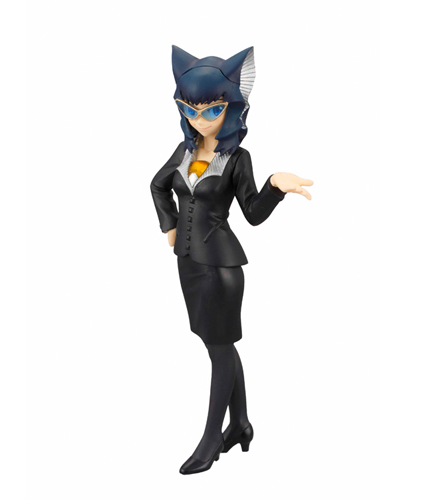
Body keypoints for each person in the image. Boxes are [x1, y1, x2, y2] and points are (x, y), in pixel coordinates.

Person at [150, 45, 313, 475]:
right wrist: (169, 224)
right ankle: (240, 424)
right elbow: (157, 185)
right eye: (190, 109)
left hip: (221, 268)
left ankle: (211, 439)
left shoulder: (238, 158)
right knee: (216, 344)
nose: (199, 119)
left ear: (232, 106)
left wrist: (275, 186)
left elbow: (253, 214)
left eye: (211, 109)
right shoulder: (184, 151)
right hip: (187, 263)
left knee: (220, 349)